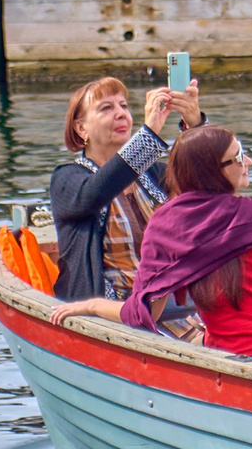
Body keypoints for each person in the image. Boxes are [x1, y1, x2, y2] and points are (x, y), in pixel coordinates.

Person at [51, 127, 252, 370]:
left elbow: (143, 313)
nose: (248, 162)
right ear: (213, 172)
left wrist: (93, 305)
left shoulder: (166, 227)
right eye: (239, 155)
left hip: (240, 366)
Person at [47, 74, 203, 302]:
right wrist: (148, 133)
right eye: (106, 108)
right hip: (110, 313)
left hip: (171, 301)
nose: (121, 113)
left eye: (124, 106)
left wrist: (194, 124)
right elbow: (96, 192)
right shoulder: (66, 179)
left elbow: (207, 180)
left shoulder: (153, 174)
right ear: (81, 129)